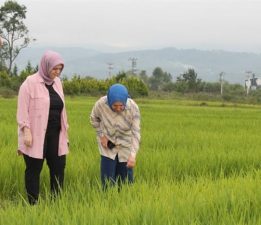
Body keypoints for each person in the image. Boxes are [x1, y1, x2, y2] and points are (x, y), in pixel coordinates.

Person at [17, 50, 69, 204]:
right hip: (35, 135)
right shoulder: (29, 83)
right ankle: (33, 204)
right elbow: (22, 110)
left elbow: (61, 108)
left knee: (58, 168)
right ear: (46, 66)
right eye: (54, 69)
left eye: (60, 69)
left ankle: (56, 202)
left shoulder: (58, 83)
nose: (57, 72)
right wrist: (26, 130)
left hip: (56, 134)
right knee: (34, 169)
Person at [90, 83, 141, 189]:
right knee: (107, 181)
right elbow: (93, 119)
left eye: (121, 105)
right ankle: (107, 201)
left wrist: (132, 155)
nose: (118, 108)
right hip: (108, 145)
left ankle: (125, 203)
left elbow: (136, 132)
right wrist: (101, 135)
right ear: (109, 101)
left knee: (126, 181)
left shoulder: (133, 107)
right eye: (114, 106)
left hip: (125, 145)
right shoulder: (101, 104)